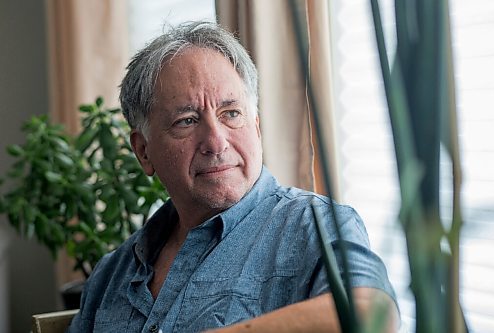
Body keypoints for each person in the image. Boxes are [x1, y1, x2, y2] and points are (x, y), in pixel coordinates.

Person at [68, 21, 398, 333]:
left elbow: (371, 314)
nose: (216, 141)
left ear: (256, 127)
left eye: (231, 114)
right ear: (143, 151)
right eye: (186, 120)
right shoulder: (112, 272)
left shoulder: (314, 225)